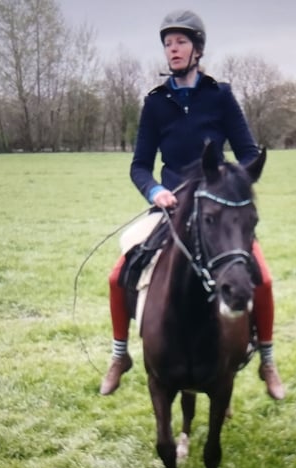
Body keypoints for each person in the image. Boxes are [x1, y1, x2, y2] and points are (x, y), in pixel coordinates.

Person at [99, 9, 285, 400]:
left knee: (262, 278)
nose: (173, 49)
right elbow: (139, 166)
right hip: (168, 208)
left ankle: (267, 359)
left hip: (215, 209)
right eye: (168, 44)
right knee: (118, 276)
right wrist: (154, 192)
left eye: (181, 42)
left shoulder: (220, 96)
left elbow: (250, 154)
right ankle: (119, 356)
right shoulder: (154, 104)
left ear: (197, 49)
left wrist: (222, 182)